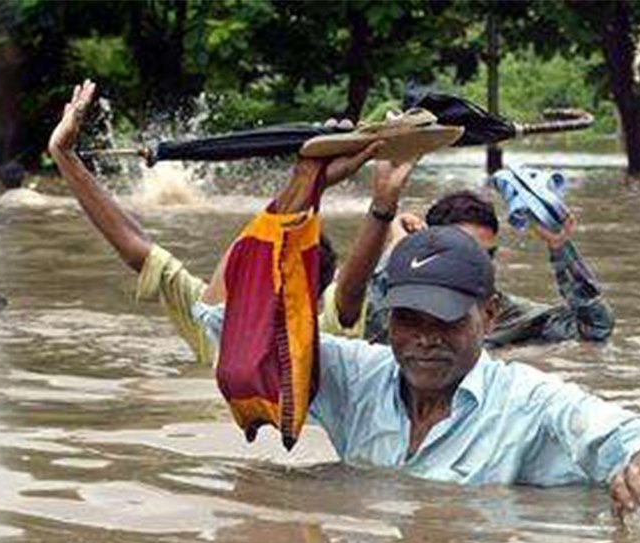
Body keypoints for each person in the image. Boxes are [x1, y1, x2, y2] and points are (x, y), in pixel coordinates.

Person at [49, 80, 640, 517]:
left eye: (445, 320)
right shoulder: (357, 374)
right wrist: (306, 185)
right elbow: (239, 337)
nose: (423, 338)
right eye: (409, 319)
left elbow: (637, 429)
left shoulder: (528, 400)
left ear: (488, 314)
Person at [47, 80, 410, 367]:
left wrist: (383, 204)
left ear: (309, 300)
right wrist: (63, 155)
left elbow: (351, 288)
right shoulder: (218, 324)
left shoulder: (323, 334)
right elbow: (133, 245)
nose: (244, 288)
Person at [334, 189, 616, 347]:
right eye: (465, 253)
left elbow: (595, 327)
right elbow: (379, 339)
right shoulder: (400, 305)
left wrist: (559, 248)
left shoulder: (502, 312)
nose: (479, 266)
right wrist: (398, 247)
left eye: (487, 255)